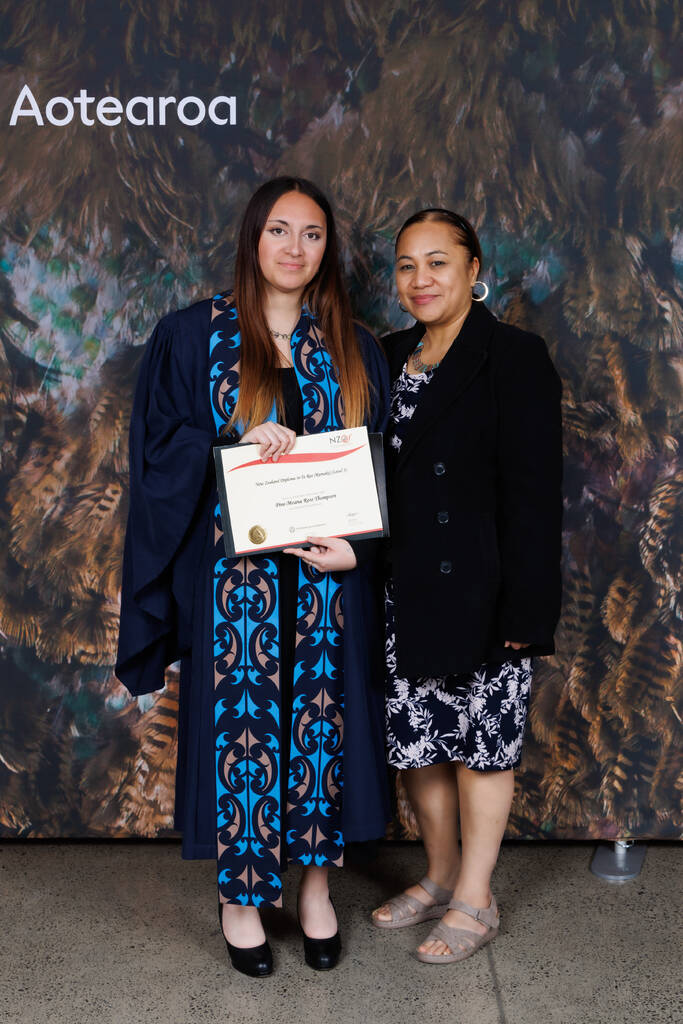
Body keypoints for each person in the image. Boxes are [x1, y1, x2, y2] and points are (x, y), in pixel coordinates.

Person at [116, 177, 390, 977]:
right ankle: (240, 901)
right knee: (240, 732)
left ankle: (312, 893)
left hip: (324, 584)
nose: (294, 248)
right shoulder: (191, 337)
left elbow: (379, 469)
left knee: (318, 731)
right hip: (230, 581)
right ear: (251, 237)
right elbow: (155, 452)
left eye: (311, 234)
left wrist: (360, 551)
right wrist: (229, 443)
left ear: (326, 250)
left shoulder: (352, 344)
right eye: (279, 230)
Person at [371, 208, 562, 964]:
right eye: (406, 265)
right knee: (417, 746)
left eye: (437, 263)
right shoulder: (384, 355)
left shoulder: (513, 356)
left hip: (484, 590)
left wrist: (527, 608)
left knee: (482, 749)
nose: (420, 280)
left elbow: (534, 495)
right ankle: (440, 874)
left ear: (474, 270)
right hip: (399, 588)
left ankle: (475, 900)